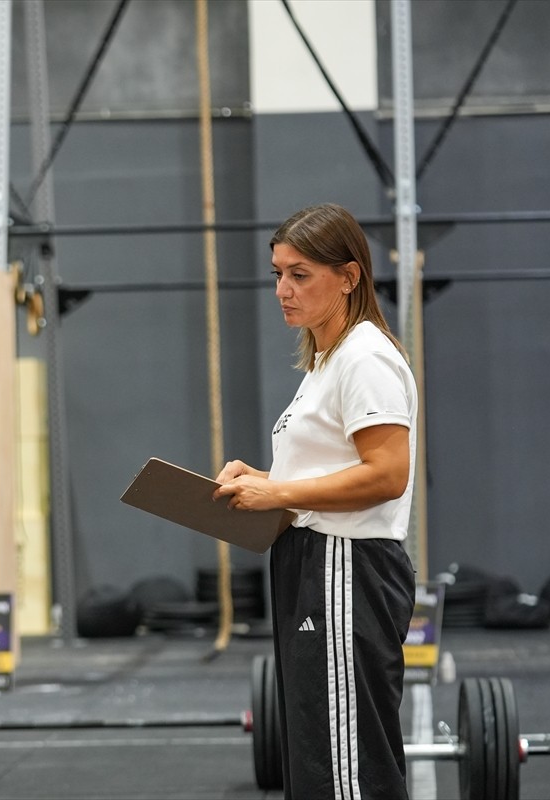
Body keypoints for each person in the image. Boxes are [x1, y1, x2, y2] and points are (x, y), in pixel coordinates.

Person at [213, 203, 418, 800]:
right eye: (277, 273)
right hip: (314, 562)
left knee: (348, 768)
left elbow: (388, 475)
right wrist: (263, 477)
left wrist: (276, 492)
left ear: (349, 277)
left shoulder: (365, 357)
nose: (283, 289)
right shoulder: (326, 361)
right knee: (318, 758)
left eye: (300, 275)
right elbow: (330, 468)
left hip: (345, 567)